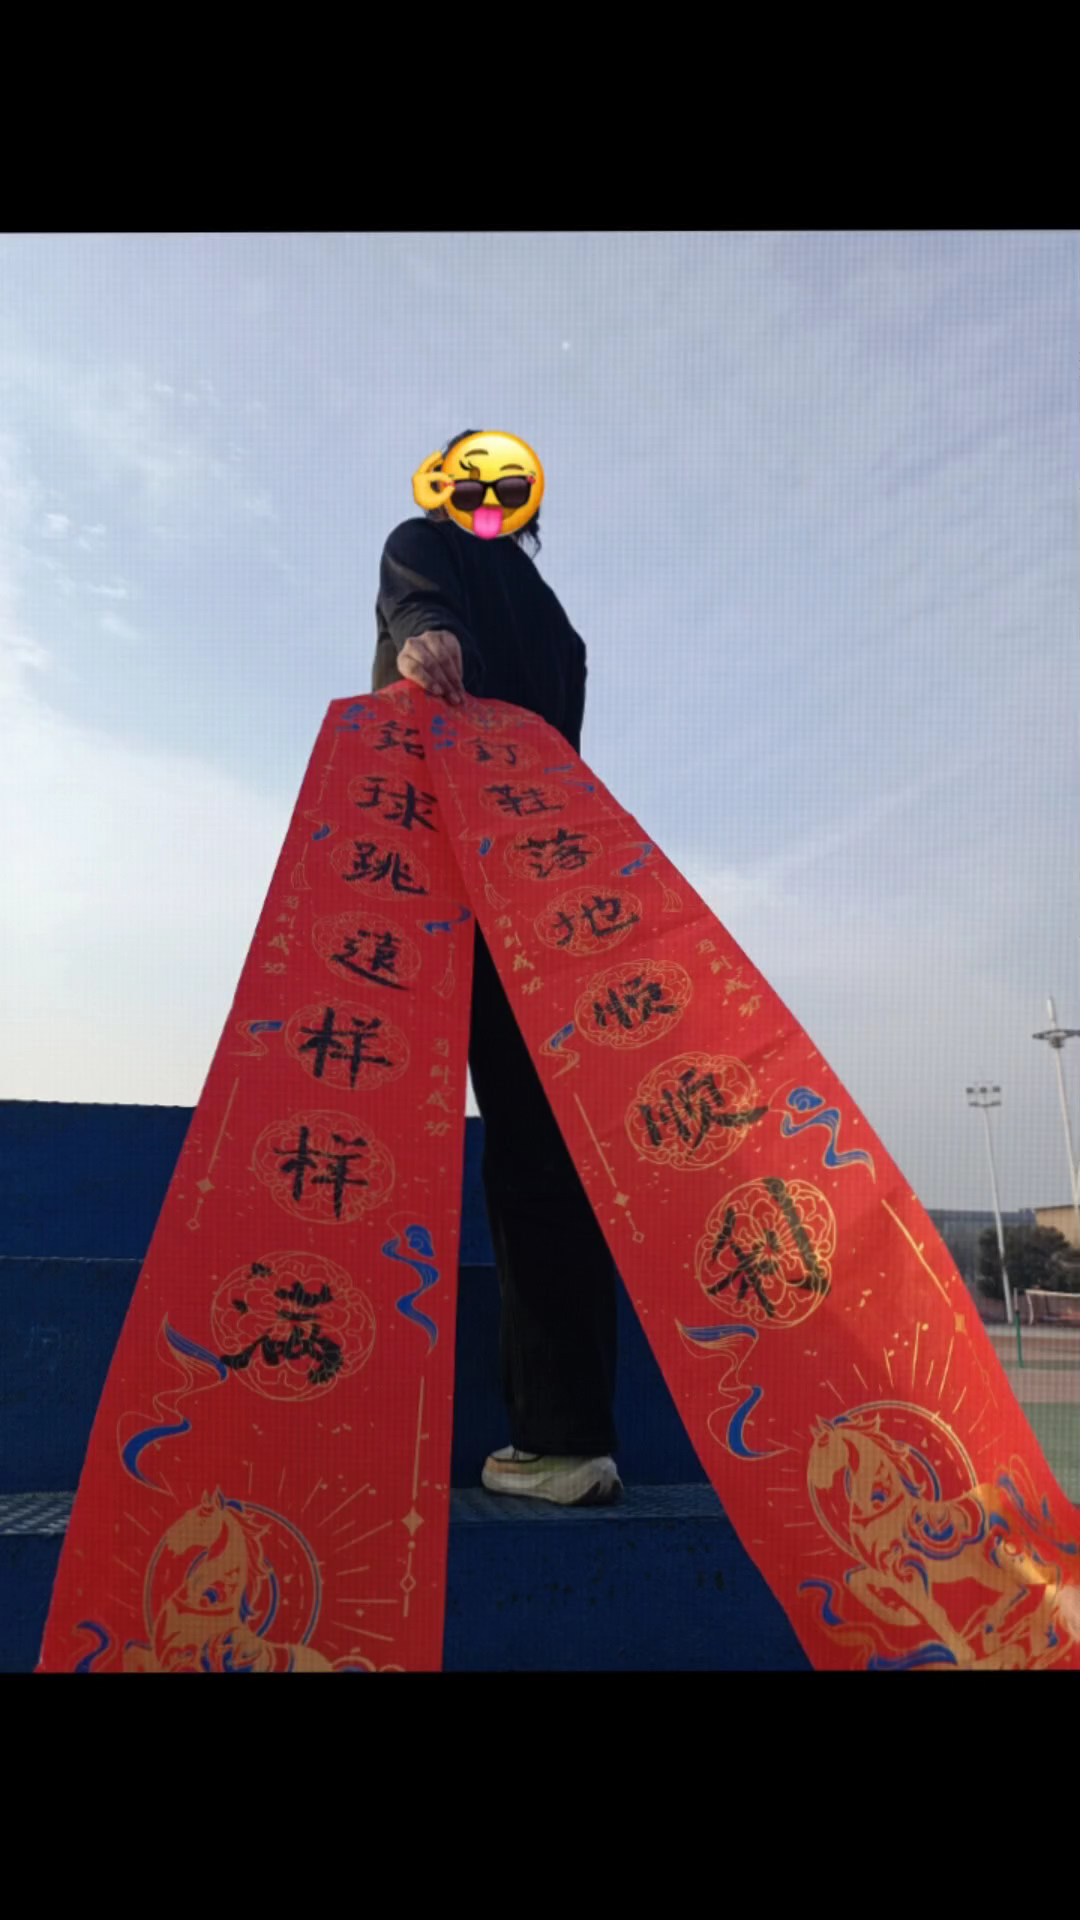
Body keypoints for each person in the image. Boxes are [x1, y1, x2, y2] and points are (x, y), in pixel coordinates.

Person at [372, 430, 621, 1506]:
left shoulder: (421, 542)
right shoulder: (560, 624)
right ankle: (569, 1441)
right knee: (544, 1149)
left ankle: (342, 1427)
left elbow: (424, 616)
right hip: (543, 892)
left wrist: (425, 638)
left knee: (373, 1122)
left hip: (431, 880)